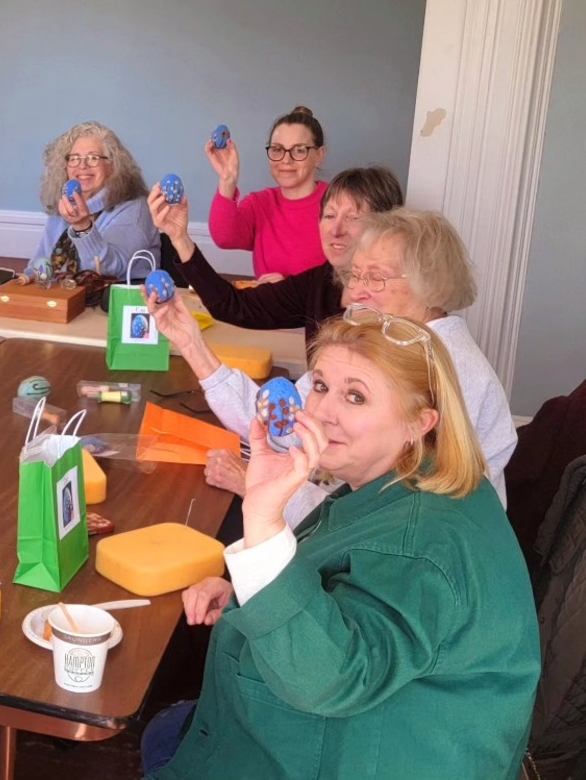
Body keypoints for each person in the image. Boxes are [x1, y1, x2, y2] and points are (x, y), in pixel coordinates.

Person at [141, 314, 539, 779]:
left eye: (355, 396)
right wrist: (247, 592)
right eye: (321, 386)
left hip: (369, 751)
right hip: (368, 729)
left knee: (163, 732)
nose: (324, 411)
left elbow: (329, 677)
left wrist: (263, 518)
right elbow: (358, 603)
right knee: (167, 732)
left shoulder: (419, 545)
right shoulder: (412, 483)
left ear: (419, 421)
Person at [148, 209, 516, 523]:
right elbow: (285, 424)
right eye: (355, 275)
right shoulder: (380, 338)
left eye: (376, 277)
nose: (356, 291)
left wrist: (256, 485)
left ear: (431, 285)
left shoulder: (448, 371)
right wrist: (190, 341)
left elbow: (375, 524)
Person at [148, 165, 404, 343]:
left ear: (387, 226)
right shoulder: (318, 283)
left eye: (353, 218)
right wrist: (179, 237)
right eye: (329, 215)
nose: (336, 230)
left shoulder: (400, 299)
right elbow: (233, 306)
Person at [206, 105, 330, 281]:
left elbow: (350, 282)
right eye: (278, 149)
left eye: (299, 150)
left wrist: (285, 292)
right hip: (266, 308)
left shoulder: (338, 202)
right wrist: (227, 180)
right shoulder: (260, 203)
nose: (286, 160)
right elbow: (224, 237)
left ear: (319, 155)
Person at [27, 122, 157, 278]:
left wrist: (82, 227)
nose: (82, 166)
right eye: (74, 158)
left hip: (112, 299)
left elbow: (108, 271)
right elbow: (37, 267)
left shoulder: (136, 208)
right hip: (60, 300)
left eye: (93, 158)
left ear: (113, 166)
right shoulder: (64, 205)